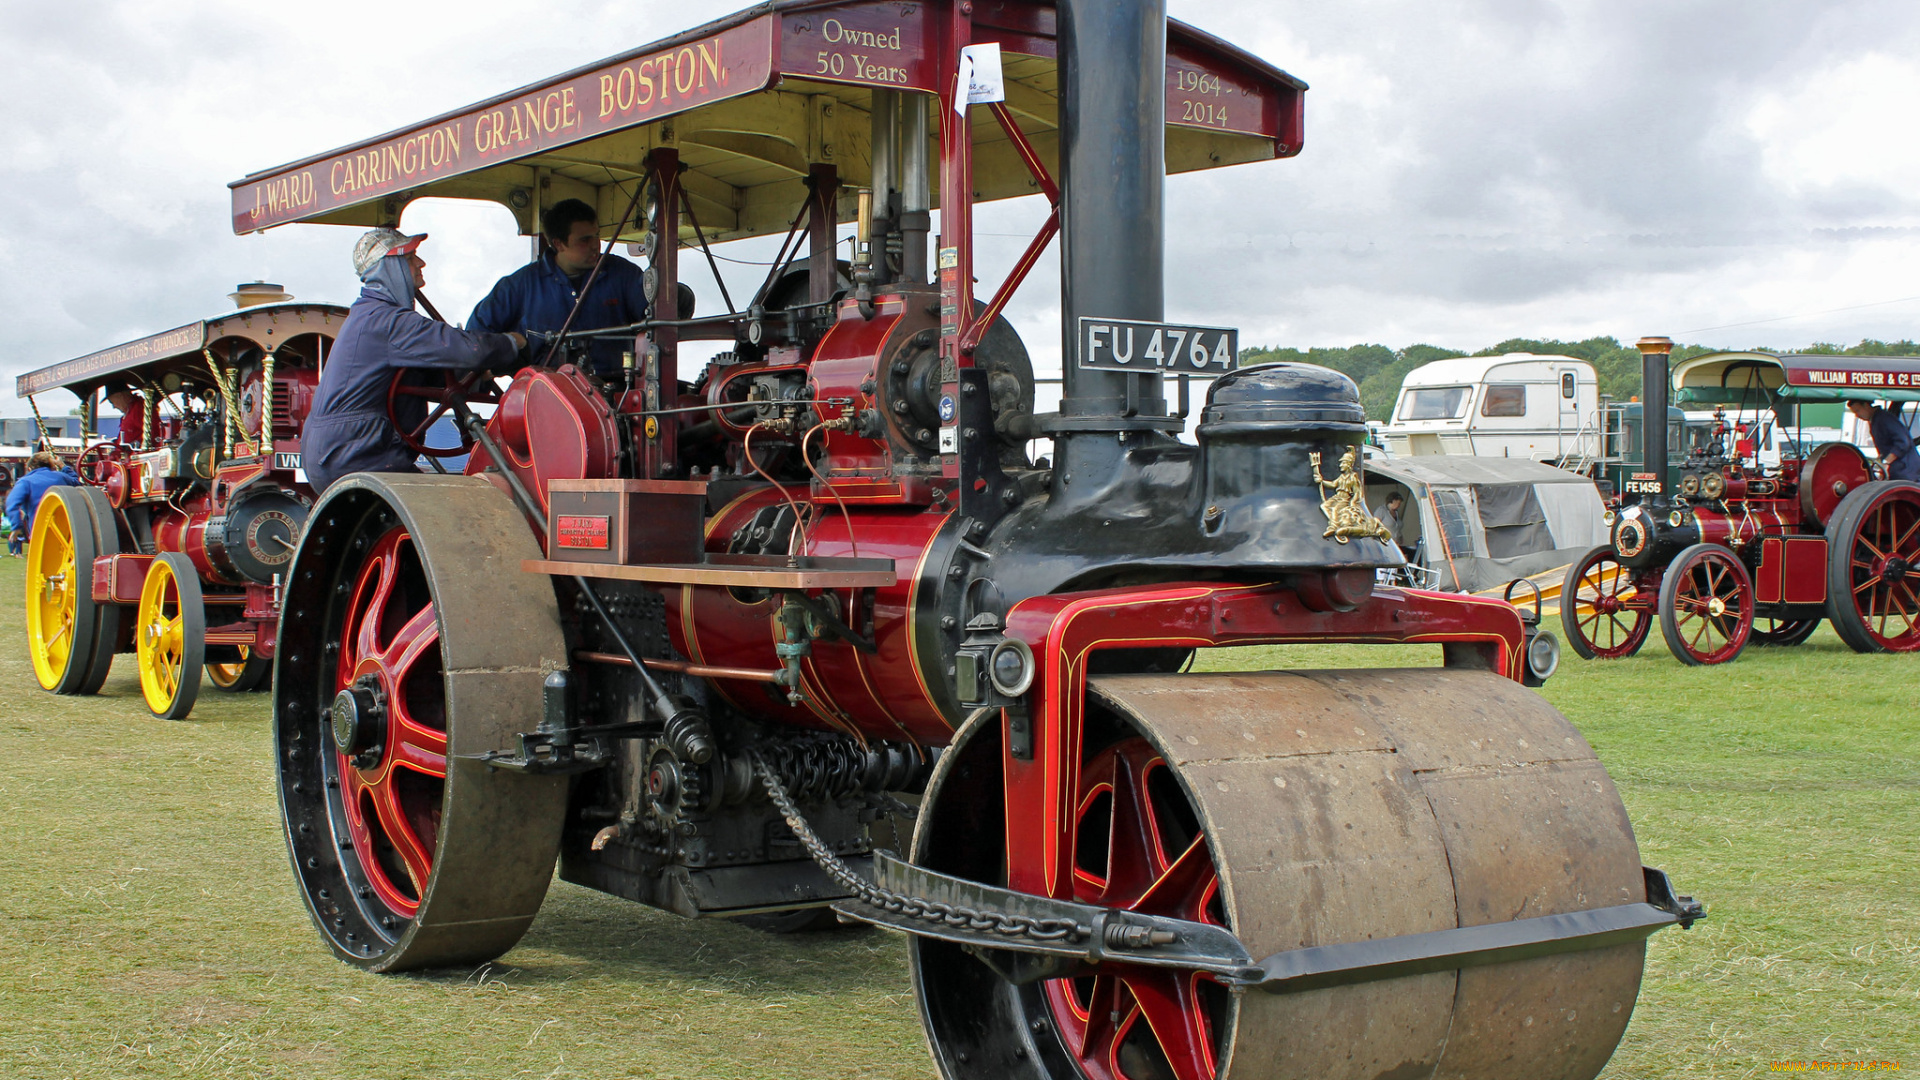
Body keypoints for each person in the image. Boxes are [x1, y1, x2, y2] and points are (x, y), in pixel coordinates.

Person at [301, 228, 526, 495]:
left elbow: (429, 378)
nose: (421, 264)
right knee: (455, 505)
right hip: (356, 454)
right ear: (390, 268)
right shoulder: (387, 322)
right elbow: (469, 348)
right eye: (411, 258)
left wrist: (476, 378)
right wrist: (514, 342)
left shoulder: (370, 316)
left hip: (340, 452)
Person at [467, 198, 649, 379]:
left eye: (596, 235)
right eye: (584, 240)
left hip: (616, 391)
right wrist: (507, 355)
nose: (595, 245)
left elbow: (654, 312)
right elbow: (475, 338)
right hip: (544, 394)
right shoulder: (519, 285)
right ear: (558, 244)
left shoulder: (622, 274)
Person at [6, 451, 80, 551]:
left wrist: (16, 527)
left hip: (39, 530)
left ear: (29, 468)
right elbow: (77, 482)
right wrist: (63, 466)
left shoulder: (25, 481)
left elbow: (12, 503)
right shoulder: (61, 476)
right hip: (67, 529)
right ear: (51, 465)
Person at [1846, 399, 1920, 482]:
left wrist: (1886, 462)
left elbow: (1903, 442)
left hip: (1906, 471)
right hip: (1898, 472)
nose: (1857, 415)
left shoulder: (1884, 418)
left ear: (1866, 405)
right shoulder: (1875, 420)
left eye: (1858, 411)